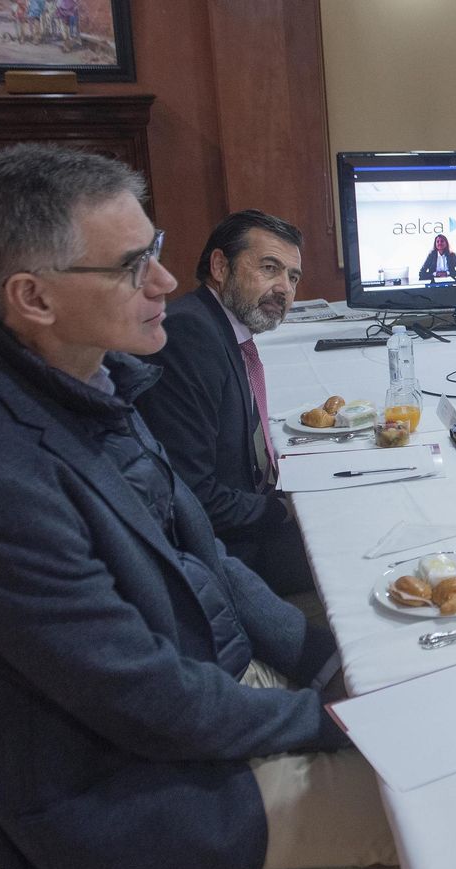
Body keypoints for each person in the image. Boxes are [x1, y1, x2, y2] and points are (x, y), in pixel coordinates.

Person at [0, 144, 395, 869]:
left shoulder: (88, 375)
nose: (168, 284)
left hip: (211, 701)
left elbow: (205, 557)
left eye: (158, 252)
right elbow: (142, 700)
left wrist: (327, 665)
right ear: (34, 298)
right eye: (133, 266)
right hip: (141, 792)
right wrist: (328, 719)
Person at [136, 210, 314, 596]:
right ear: (220, 266)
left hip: (240, 520)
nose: (284, 288)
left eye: (292, 277)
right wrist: (285, 509)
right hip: (224, 552)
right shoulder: (189, 335)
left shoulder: (218, 327)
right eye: (270, 268)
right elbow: (190, 494)